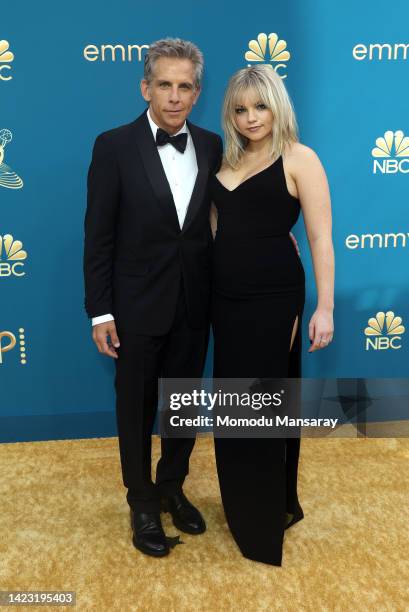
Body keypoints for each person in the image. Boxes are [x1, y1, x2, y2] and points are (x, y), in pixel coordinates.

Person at [83, 38, 223, 558]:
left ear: (197, 92)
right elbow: (98, 237)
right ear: (145, 87)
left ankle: (171, 487)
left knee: (183, 406)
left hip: (195, 304)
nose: (173, 96)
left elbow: (219, 219)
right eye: (163, 84)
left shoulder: (210, 145)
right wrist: (101, 310)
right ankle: (141, 502)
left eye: (184, 86)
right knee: (137, 408)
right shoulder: (113, 145)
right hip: (135, 307)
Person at [209, 64, 335, 566]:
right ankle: (248, 504)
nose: (250, 117)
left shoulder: (300, 158)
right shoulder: (225, 161)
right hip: (225, 299)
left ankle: (264, 520)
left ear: (277, 105)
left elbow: (321, 238)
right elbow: (219, 231)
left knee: (262, 402)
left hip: (274, 297)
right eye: (240, 109)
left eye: (260, 106)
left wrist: (324, 307)